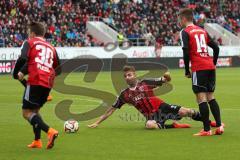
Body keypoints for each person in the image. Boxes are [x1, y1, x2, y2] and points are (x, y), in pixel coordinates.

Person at [88, 65, 211, 130]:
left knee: (187, 111)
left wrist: (167, 77)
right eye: (125, 76)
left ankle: (209, 122)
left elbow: (164, 80)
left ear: (134, 75)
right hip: (151, 117)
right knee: (149, 125)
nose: (127, 77)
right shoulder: (124, 94)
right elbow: (111, 109)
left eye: (129, 75)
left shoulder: (145, 82)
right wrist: (97, 122)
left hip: (162, 107)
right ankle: (173, 126)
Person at [13, 21, 61, 149]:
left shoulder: (30, 43)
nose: (28, 36)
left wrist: (15, 71)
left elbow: (23, 58)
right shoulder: (51, 47)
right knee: (35, 111)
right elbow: (59, 69)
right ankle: (37, 141)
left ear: (33, 33)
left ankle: (50, 131)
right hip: (48, 83)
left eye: (29, 33)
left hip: (35, 80)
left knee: (26, 112)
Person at [178, 8, 224, 136]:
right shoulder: (202, 30)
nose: (179, 23)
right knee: (211, 96)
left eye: (179, 20)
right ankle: (219, 126)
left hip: (199, 68)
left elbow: (186, 52)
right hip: (209, 66)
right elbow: (216, 47)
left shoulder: (185, 32)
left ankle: (206, 130)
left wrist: (187, 69)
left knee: (201, 98)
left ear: (183, 19)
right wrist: (213, 63)